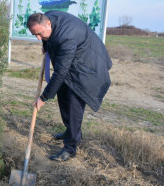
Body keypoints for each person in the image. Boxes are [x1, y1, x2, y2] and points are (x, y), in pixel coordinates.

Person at [26, 11, 112, 162]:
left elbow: (60, 72)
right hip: (74, 61)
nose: (38, 38)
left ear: (48, 24)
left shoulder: (66, 37)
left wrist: (43, 98)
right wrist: (45, 43)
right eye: (35, 35)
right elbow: (61, 71)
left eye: (40, 34)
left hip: (87, 65)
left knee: (74, 104)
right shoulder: (47, 18)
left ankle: (70, 148)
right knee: (63, 96)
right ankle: (70, 131)